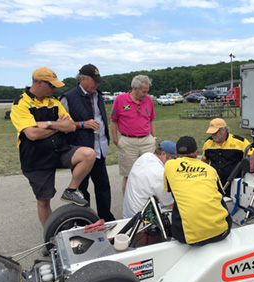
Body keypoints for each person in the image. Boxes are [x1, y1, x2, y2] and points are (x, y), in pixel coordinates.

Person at [10, 67, 96, 226]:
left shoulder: (54, 101)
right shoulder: (20, 104)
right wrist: (58, 125)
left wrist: (47, 124)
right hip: (36, 157)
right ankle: (51, 238)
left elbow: (70, 126)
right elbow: (32, 135)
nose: (54, 89)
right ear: (39, 82)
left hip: (59, 150)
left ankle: (71, 191)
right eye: (51, 85)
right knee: (43, 201)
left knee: (89, 154)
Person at [60, 64, 115, 221]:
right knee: (81, 189)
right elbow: (62, 127)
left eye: (98, 81)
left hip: (100, 149)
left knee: (103, 186)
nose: (97, 85)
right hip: (81, 151)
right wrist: (83, 124)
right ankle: (84, 219)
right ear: (82, 79)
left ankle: (106, 218)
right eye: (94, 81)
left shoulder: (98, 95)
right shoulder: (68, 98)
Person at [164, 136, 232, 245]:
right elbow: (220, 194)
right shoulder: (210, 169)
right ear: (196, 153)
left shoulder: (169, 165)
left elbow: (170, 191)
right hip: (221, 232)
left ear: (176, 153)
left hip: (185, 236)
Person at [110, 75, 157, 195]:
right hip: (128, 141)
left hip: (146, 141)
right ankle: (128, 204)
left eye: (147, 91)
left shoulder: (148, 100)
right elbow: (113, 120)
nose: (146, 94)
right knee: (129, 175)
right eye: (144, 91)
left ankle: (148, 202)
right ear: (135, 88)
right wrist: (116, 139)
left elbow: (151, 120)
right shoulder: (120, 100)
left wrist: (154, 137)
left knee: (149, 173)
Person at [123, 140, 176, 218]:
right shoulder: (160, 173)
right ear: (163, 154)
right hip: (143, 220)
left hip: (129, 214)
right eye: (173, 158)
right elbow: (171, 204)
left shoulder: (145, 156)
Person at [202, 118, 252, 194]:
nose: (213, 135)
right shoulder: (208, 143)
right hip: (215, 185)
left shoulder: (240, 142)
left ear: (224, 130)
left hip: (235, 185)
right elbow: (204, 162)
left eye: (215, 132)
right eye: (211, 133)